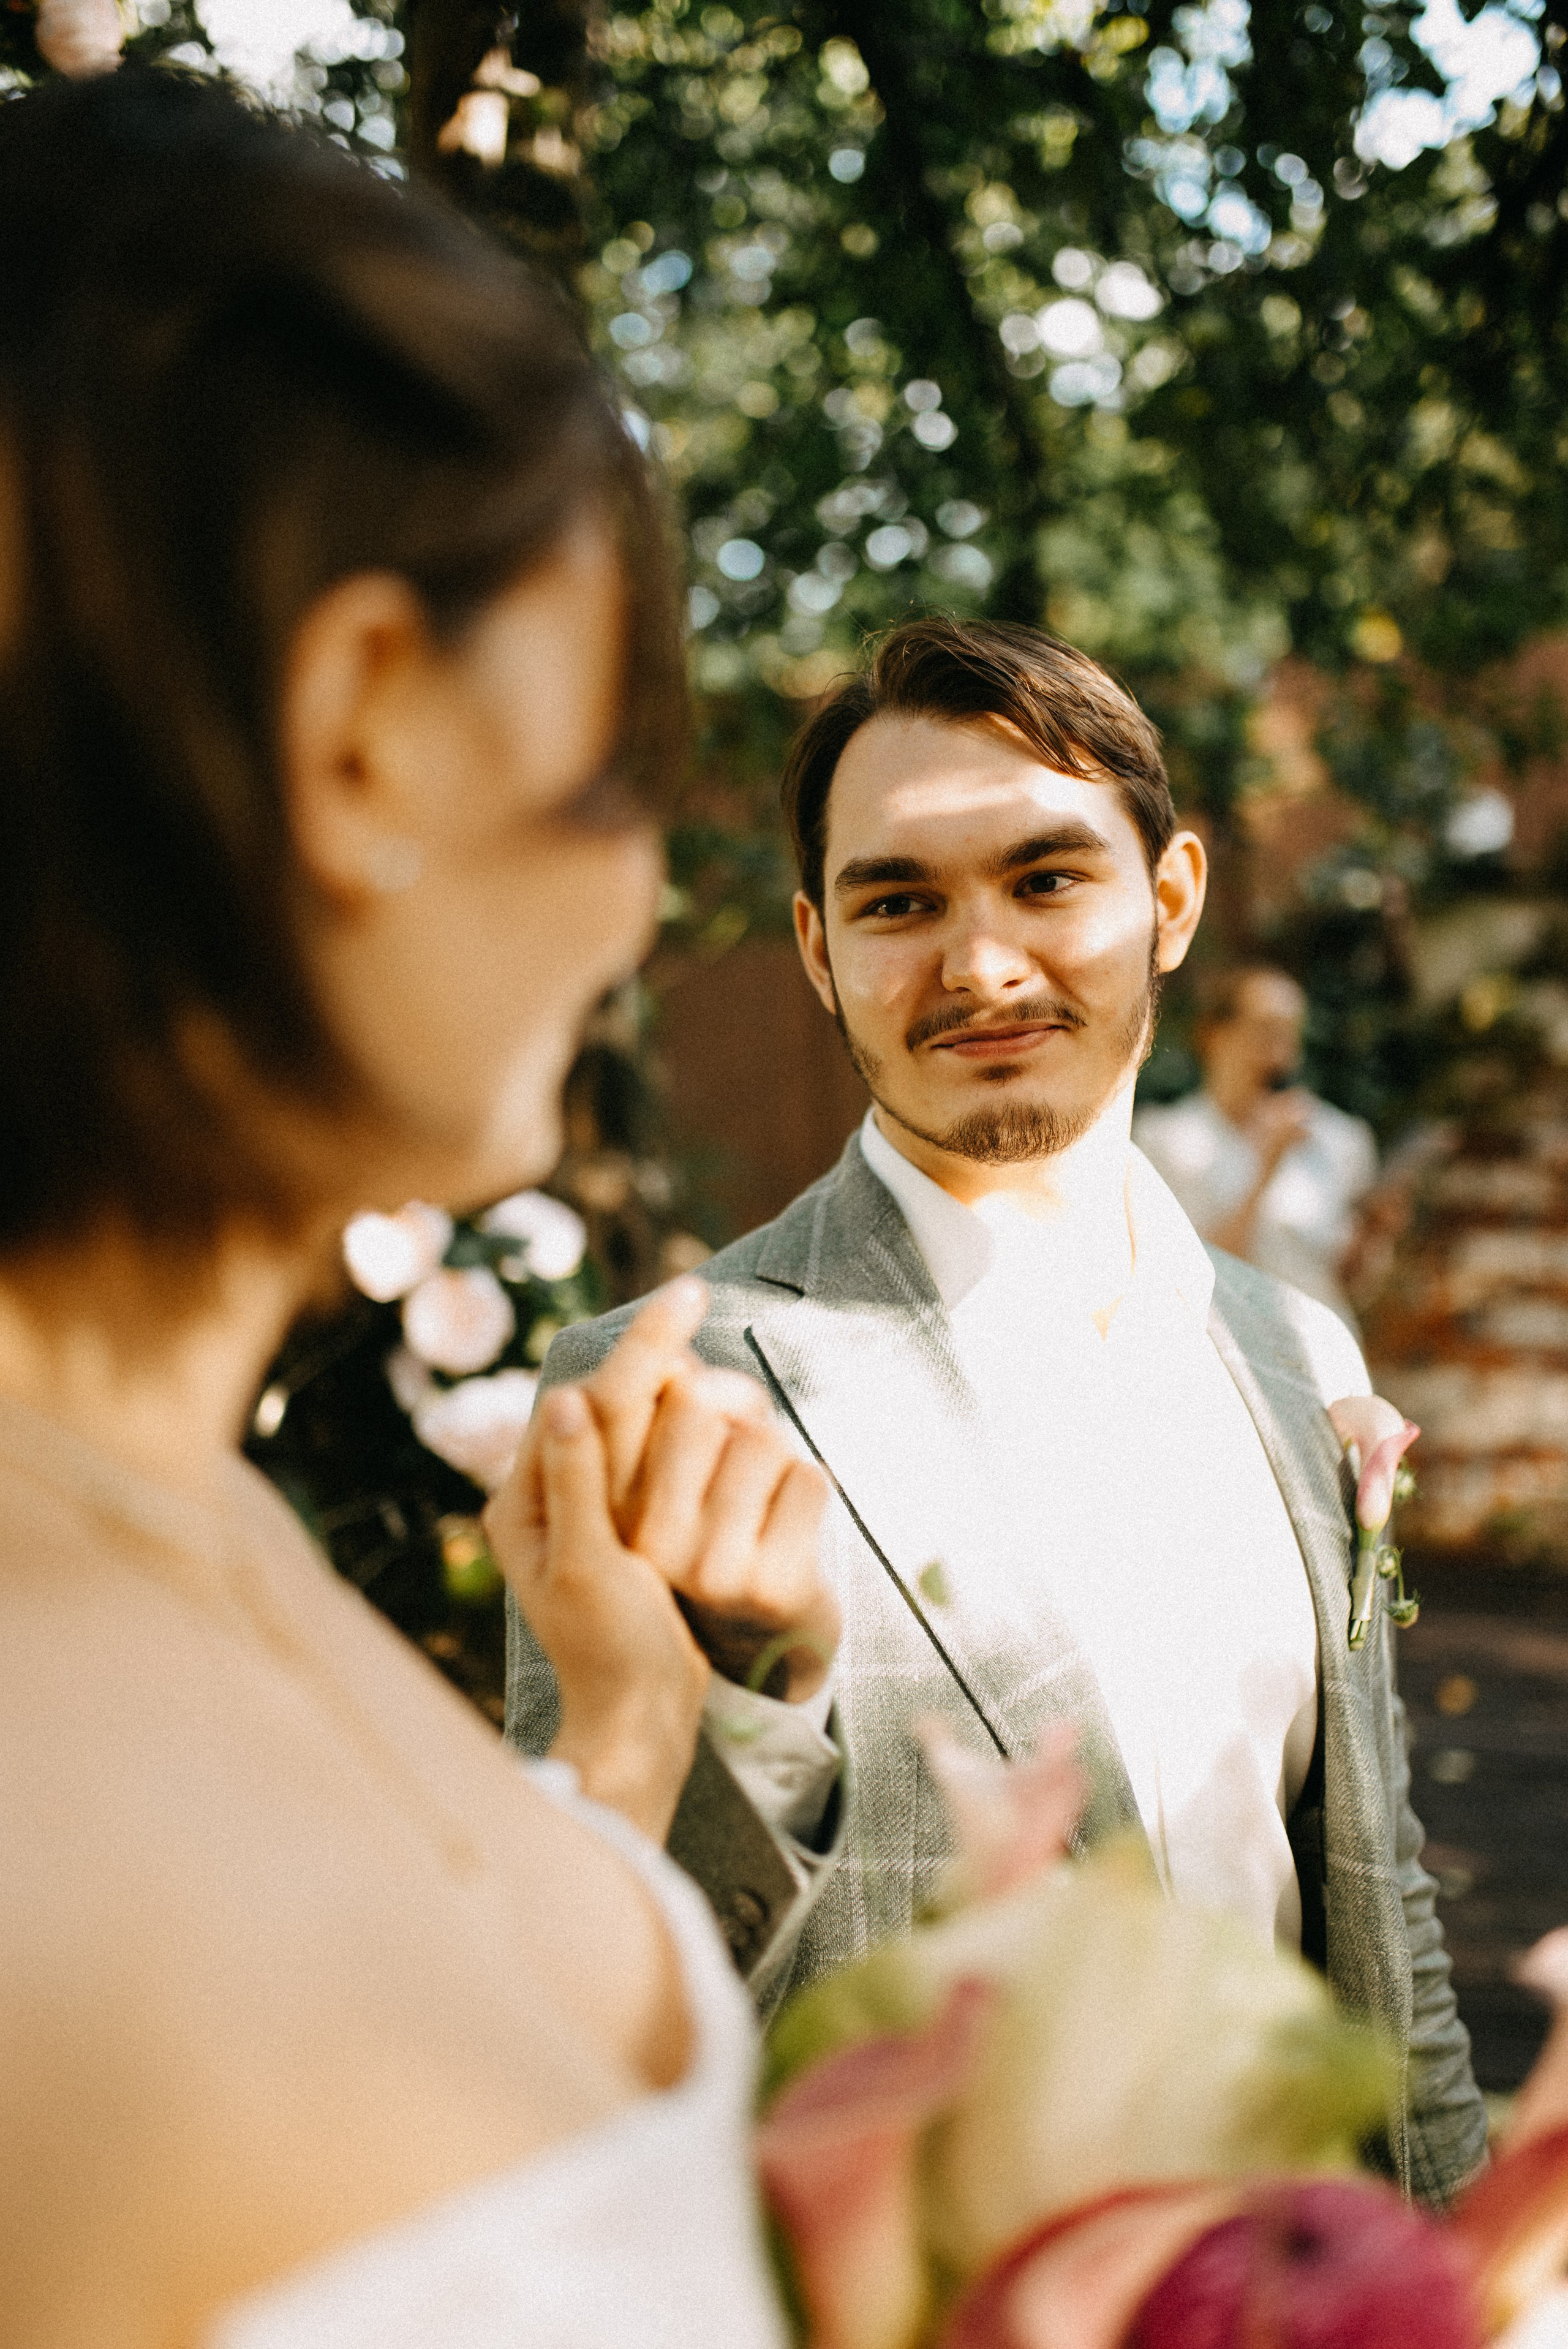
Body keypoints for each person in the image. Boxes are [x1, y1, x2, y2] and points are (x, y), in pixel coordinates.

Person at [0, 69, 842, 2348]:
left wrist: (621, 1725)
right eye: (615, 755)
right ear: (367, 722)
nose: (640, 887)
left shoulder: (170, 1494)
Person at [512, 617, 1488, 2208]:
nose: (978, 965)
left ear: (1168, 902)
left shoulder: (1298, 1349)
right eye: (900, 901)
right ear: (821, 951)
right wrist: (748, 1710)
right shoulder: (670, 1392)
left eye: (1046, 879)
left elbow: (1379, 1909)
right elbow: (600, 2035)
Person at [1133, 963, 1378, 1330]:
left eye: (1291, 1035)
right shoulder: (1165, 1140)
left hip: (1326, 1359)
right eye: (1266, 1032)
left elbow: (1346, 1286)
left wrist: (1374, 1236)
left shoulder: (1335, 1137)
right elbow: (1190, 1282)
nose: (1281, 1055)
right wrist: (1265, 1172)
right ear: (1212, 1035)